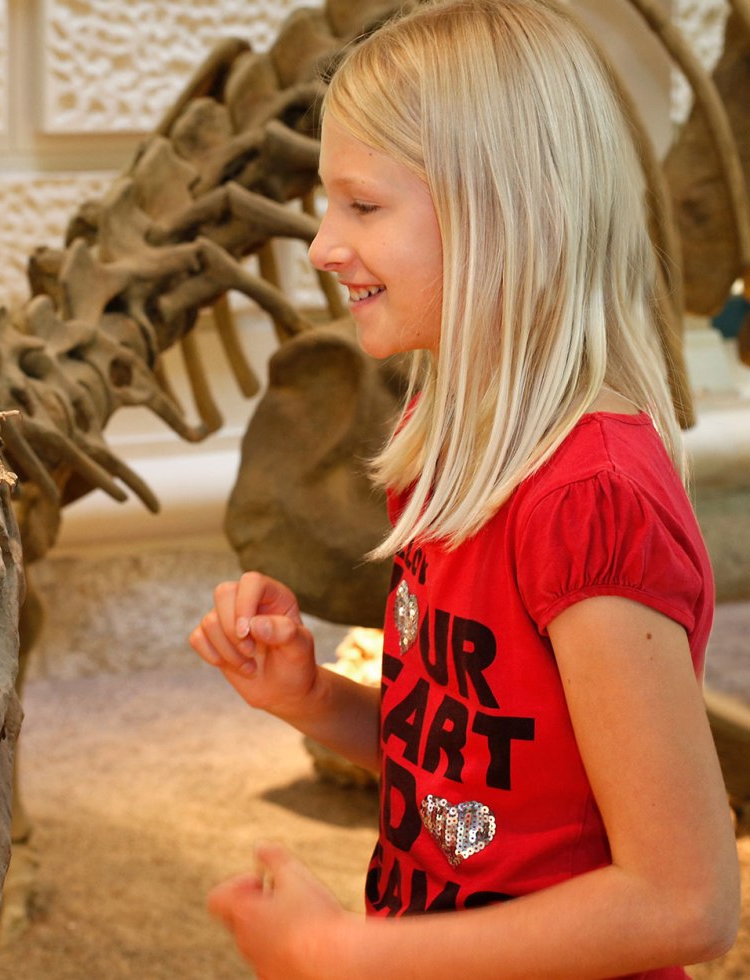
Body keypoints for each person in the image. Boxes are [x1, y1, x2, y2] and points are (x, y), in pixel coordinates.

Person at [187, 0, 740, 975]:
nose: (320, 245)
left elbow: (686, 899)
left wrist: (342, 953)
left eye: (362, 206)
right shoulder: (444, 436)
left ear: (507, 213)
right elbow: (475, 773)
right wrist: (313, 696)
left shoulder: (591, 501)